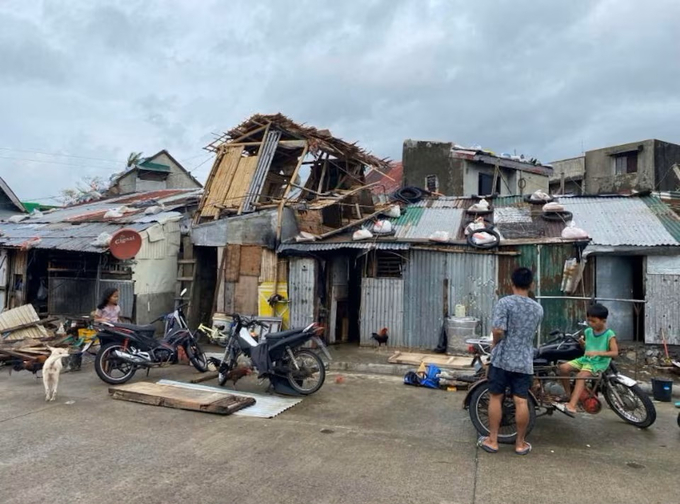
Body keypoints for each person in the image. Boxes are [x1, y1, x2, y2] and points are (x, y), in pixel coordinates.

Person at [477, 267, 543, 456]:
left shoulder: (504, 303)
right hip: (524, 360)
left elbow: (498, 330)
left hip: (503, 358)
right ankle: (520, 443)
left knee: (496, 397)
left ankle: (493, 440)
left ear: (511, 283)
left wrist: (494, 345)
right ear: (531, 284)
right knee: (521, 401)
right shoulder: (537, 308)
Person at [555, 303, 618, 417]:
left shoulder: (609, 334)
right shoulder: (588, 332)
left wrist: (597, 353)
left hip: (599, 362)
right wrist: (583, 344)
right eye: (589, 320)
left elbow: (614, 353)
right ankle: (569, 394)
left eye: (593, 321)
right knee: (563, 368)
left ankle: (572, 406)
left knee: (581, 376)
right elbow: (588, 348)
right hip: (586, 360)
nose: (590, 323)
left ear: (603, 321)